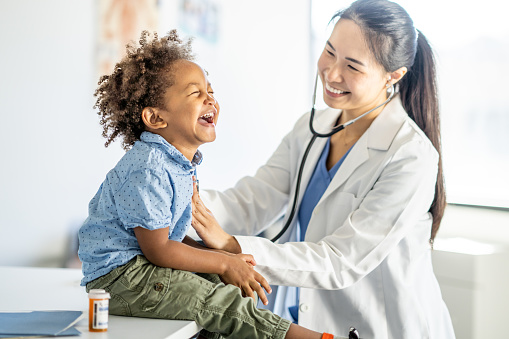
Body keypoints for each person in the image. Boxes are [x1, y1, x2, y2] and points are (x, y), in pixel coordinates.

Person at [190, 0, 456, 338]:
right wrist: (177, 199)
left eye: (352, 66)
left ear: (393, 76)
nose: (331, 73)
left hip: (384, 327)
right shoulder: (312, 127)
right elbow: (251, 200)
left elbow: (341, 260)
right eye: (329, 52)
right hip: (315, 318)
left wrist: (231, 247)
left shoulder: (410, 156)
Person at [78, 30, 342, 339]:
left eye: (210, 91)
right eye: (195, 93)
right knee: (222, 301)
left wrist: (223, 261)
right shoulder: (149, 168)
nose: (210, 99)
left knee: (225, 284)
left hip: (142, 265)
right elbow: (159, 250)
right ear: (156, 117)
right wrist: (221, 260)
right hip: (119, 278)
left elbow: (168, 238)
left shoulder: (179, 164)